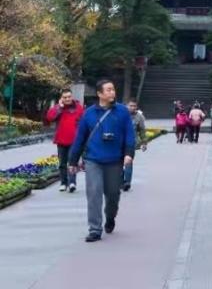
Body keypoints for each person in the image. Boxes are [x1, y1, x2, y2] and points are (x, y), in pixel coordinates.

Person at [68, 79, 135, 242]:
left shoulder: (122, 112)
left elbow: (129, 135)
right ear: (99, 94)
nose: (112, 92)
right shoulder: (89, 113)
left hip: (115, 160)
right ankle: (95, 229)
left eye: (113, 89)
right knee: (94, 193)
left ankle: (110, 217)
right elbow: (79, 138)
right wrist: (72, 161)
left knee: (113, 195)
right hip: (93, 160)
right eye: (108, 90)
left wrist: (129, 153)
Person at [45, 88, 85, 193]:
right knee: (62, 163)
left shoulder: (78, 108)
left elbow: (84, 121)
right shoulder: (58, 108)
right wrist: (59, 107)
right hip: (61, 140)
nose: (67, 99)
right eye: (65, 97)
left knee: (72, 161)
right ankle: (63, 183)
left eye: (69, 97)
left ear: (72, 97)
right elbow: (49, 117)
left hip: (74, 140)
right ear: (61, 98)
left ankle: (72, 182)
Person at [122, 100, 148, 191]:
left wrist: (144, 142)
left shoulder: (139, 117)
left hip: (131, 143)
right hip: (118, 143)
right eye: (130, 105)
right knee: (118, 163)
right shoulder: (120, 115)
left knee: (128, 161)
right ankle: (121, 181)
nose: (132, 108)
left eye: (134, 106)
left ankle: (127, 182)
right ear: (126, 106)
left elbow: (142, 130)